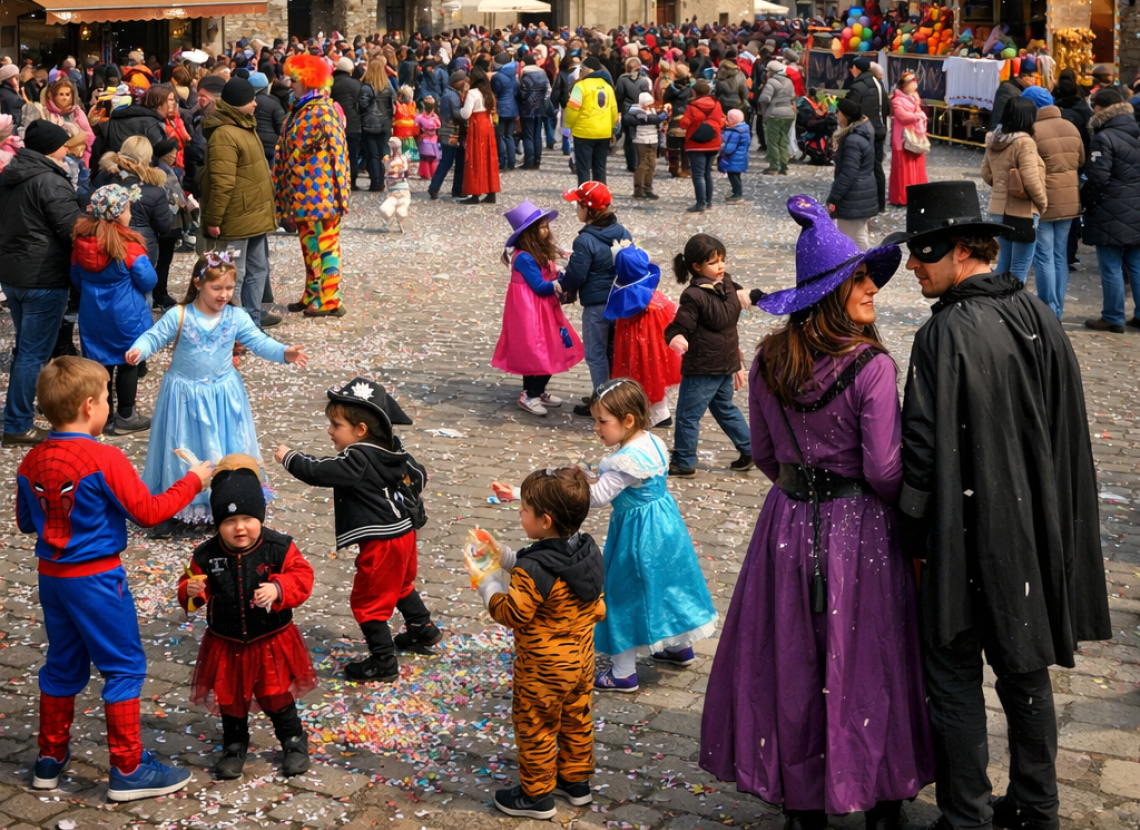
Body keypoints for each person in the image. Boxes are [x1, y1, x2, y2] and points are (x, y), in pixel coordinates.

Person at [701, 193, 931, 830]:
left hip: (789, 522)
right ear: (835, 290)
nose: (873, 292)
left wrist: (801, 492)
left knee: (794, 660)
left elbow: (767, 453)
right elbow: (886, 469)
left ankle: (803, 803)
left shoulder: (773, 357)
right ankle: (881, 793)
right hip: (861, 529)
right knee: (868, 659)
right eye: (862, 280)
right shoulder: (873, 367)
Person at [887, 180, 1111, 830]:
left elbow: (921, 453)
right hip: (1032, 533)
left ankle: (966, 815)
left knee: (953, 672)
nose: (911, 266)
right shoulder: (1036, 312)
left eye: (921, 252)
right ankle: (1037, 807)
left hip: (962, 538)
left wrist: (912, 537)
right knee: (1024, 668)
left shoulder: (945, 333)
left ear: (959, 250)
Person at [17, 356, 211, 801]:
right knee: (123, 667)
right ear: (89, 406)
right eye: (107, 399)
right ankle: (129, 768)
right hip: (99, 580)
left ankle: (49, 758)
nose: (108, 405)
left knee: (62, 666)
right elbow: (148, 512)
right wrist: (192, 482)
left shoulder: (31, 459)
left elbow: (27, 522)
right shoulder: (104, 457)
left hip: (53, 579)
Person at [126, 253, 308, 527]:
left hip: (223, 396)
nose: (224, 294)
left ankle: (225, 500)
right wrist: (140, 349)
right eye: (217, 288)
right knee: (183, 444)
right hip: (184, 397)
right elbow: (155, 335)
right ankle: (179, 504)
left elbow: (259, 341)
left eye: (229, 288)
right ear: (198, 284)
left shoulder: (236, 317)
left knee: (226, 447)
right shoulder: (180, 315)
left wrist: (284, 352)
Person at [276, 377, 439, 682]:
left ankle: (383, 661)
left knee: (368, 601)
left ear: (361, 430)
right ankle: (422, 629)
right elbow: (418, 476)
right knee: (401, 584)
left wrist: (290, 458)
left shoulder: (357, 458)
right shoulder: (393, 447)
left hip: (382, 542)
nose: (329, 431)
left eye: (335, 425)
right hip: (404, 533)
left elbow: (319, 471)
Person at [466, 467, 604, 819]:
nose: (519, 512)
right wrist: (506, 555)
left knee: (536, 726)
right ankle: (575, 783)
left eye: (524, 509)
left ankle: (536, 795)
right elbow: (551, 569)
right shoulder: (587, 552)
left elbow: (513, 612)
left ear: (544, 520)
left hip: (543, 669)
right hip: (581, 662)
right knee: (576, 718)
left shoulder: (534, 571)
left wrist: (487, 582)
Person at [178, 460, 317, 780]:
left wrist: (279, 587)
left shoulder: (278, 548)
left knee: (276, 692)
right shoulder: (205, 555)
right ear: (217, 523)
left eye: (247, 519)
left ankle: (293, 741)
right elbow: (187, 594)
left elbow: (302, 577)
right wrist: (191, 590)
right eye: (229, 521)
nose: (239, 527)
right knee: (230, 697)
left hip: (271, 639)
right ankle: (234, 744)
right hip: (226, 642)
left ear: (260, 517)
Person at [587, 378, 718, 691]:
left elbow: (597, 498)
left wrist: (578, 485)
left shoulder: (623, 461)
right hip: (667, 529)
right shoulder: (652, 443)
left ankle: (622, 673)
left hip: (637, 537)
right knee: (667, 585)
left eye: (602, 421)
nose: (596, 428)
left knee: (623, 594)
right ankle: (677, 647)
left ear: (628, 419)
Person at [0, 119, 83, 447]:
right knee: (34, 352)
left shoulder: (11, 174)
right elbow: (70, 229)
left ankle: (23, 409)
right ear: (50, 148)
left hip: (13, 273)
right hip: (42, 276)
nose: (68, 149)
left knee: (27, 348)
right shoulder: (50, 180)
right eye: (64, 144)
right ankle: (18, 422)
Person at [70, 184, 156, 435]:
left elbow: (75, 277)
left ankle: (103, 416)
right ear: (118, 213)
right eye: (128, 208)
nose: (130, 213)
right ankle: (126, 416)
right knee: (128, 362)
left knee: (101, 366)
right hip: (125, 315)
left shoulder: (81, 243)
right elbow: (148, 280)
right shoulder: (128, 245)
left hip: (93, 314)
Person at [664, 233, 753, 477]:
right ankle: (749, 448)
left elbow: (681, 327)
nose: (721, 266)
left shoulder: (711, 289)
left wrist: (751, 295)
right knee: (724, 408)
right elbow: (682, 325)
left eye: (722, 259)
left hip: (704, 367)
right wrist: (677, 337)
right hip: (724, 362)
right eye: (714, 262)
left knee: (687, 416)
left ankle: (683, 460)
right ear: (697, 266)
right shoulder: (708, 292)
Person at [274, 54, 350, 318]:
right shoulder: (301, 108)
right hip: (303, 193)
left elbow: (339, 153)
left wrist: (341, 195)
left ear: (308, 80)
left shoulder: (323, 110)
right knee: (309, 246)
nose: (290, 83)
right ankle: (312, 292)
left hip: (322, 194)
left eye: (294, 79)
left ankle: (330, 299)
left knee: (326, 245)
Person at [493, 199, 584, 416]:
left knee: (535, 351)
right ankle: (531, 394)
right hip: (532, 311)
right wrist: (564, 281)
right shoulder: (524, 258)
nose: (546, 231)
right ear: (529, 234)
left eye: (546, 226)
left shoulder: (536, 252)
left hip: (542, 309)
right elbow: (540, 287)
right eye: (542, 227)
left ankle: (534, 390)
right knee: (548, 350)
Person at [200, 77, 276, 328]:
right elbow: (222, 182)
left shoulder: (244, 125)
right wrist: (213, 219)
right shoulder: (224, 133)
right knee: (235, 272)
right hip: (237, 217)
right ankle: (232, 324)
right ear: (238, 103)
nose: (256, 103)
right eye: (251, 99)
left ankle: (251, 320)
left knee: (258, 269)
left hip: (254, 214)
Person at [559, 181, 632, 415]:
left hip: (597, 305)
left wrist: (562, 286)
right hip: (620, 302)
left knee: (596, 354)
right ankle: (611, 396)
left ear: (587, 209)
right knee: (613, 352)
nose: (576, 210)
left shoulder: (584, 240)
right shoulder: (621, 231)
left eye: (577, 205)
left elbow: (577, 275)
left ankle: (603, 405)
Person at [1080, 87, 1140, 333]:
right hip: (1136, 206)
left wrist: (1087, 202)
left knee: (1111, 265)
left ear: (1099, 109)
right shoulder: (1137, 132)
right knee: (1136, 263)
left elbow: (1097, 179)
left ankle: (1113, 316)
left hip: (1110, 207)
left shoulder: (1104, 138)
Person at [1022, 86, 1083, 319]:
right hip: (1069, 200)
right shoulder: (1070, 126)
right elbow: (1080, 159)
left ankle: (1048, 309)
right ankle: (1057, 307)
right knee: (1059, 255)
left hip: (1044, 200)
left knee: (1043, 256)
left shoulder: (1033, 131)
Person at [608, 242, 682, 427]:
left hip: (642, 341)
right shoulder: (654, 297)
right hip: (648, 341)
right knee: (651, 372)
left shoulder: (641, 302)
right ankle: (655, 410)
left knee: (647, 372)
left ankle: (658, 412)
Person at [981, 97, 1047, 282]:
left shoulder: (994, 139)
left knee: (1003, 264)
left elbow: (986, 173)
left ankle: (998, 305)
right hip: (1021, 211)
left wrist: (1003, 183)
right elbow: (1031, 180)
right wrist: (1042, 203)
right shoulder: (1024, 142)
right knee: (1019, 267)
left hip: (997, 208)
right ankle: (1012, 307)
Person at [94, 135, 171, 266]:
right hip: (142, 248)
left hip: (106, 243)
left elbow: (90, 207)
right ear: (148, 158)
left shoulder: (104, 178)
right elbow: (163, 226)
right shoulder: (156, 190)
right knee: (142, 283)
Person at [828, 97, 878, 251]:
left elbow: (849, 174)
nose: (836, 115)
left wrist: (834, 198)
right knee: (857, 238)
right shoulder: (861, 133)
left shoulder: (853, 140)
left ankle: (864, 270)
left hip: (854, 198)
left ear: (846, 115)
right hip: (862, 195)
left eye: (838, 112)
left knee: (855, 241)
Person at [844, 56, 889, 211]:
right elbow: (887, 108)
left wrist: (836, 102)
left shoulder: (858, 86)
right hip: (879, 130)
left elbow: (850, 109)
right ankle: (880, 203)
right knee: (877, 167)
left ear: (856, 68)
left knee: (858, 166)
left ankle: (861, 201)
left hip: (862, 132)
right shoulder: (878, 84)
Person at [565, 57, 617, 185]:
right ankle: (600, 199)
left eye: (581, 70)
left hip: (583, 132)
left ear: (587, 70)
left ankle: (585, 197)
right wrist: (611, 128)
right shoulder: (608, 86)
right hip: (603, 133)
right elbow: (614, 111)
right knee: (600, 168)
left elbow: (573, 109)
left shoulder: (580, 86)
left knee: (583, 168)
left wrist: (569, 125)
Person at [679, 79, 724, 213]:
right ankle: (708, 202)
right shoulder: (717, 104)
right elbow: (721, 120)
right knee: (707, 173)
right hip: (714, 141)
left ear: (694, 91)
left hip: (696, 143)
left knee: (698, 175)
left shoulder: (692, 106)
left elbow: (684, 124)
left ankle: (701, 203)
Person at [457, 67, 500, 205]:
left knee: (475, 157)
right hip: (487, 125)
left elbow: (466, 113)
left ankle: (475, 193)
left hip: (476, 126)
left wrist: (460, 109)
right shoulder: (488, 92)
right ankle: (491, 192)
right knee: (488, 157)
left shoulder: (472, 93)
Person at [888, 71, 927, 206]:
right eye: (911, 82)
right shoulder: (897, 100)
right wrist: (919, 116)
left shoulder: (915, 98)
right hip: (903, 139)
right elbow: (902, 117)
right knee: (902, 169)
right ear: (904, 85)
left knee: (916, 166)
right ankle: (901, 197)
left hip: (915, 137)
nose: (914, 84)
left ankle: (917, 195)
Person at [623, 91, 667, 199]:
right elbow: (654, 119)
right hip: (641, 140)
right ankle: (638, 189)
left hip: (653, 139)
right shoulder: (636, 112)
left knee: (651, 164)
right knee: (642, 164)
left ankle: (648, 188)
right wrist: (664, 114)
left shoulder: (652, 110)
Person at [359, 59, 394, 194]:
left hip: (370, 122)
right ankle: (382, 179)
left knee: (372, 154)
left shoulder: (366, 87)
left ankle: (376, 181)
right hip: (385, 123)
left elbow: (363, 105)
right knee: (381, 153)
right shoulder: (387, 87)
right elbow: (391, 108)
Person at [755, 61, 795, 176]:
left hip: (774, 114)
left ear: (772, 72)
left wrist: (764, 111)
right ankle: (784, 166)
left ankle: (774, 166)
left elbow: (764, 99)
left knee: (772, 141)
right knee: (783, 140)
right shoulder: (789, 81)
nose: (766, 73)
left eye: (768, 71)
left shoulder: (772, 82)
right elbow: (793, 98)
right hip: (788, 114)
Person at [330, 57, 363, 190]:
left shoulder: (331, 83)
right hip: (354, 124)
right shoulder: (356, 84)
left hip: (335, 123)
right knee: (353, 155)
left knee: (336, 155)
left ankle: (337, 182)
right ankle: (353, 181)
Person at [614, 57, 650, 173]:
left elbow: (618, 96)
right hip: (641, 110)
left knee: (629, 138)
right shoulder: (643, 81)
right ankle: (639, 162)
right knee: (639, 136)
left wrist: (618, 110)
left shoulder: (622, 80)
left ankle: (631, 164)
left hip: (627, 110)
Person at [518, 54, 550, 170]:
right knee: (537, 136)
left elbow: (520, 92)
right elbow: (548, 90)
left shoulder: (524, 73)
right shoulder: (542, 73)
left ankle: (528, 162)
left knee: (528, 136)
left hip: (527, 108)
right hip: (540, 106)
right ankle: (537, 161)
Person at [490, 52, 519, 173]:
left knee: (500, 135)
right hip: (513, 107)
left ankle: (503, 161)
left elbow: (494, 91)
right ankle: (511, 162)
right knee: (509, 135)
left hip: (501, 108)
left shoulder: (497, 77)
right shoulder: (513, 75)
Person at [663, 63, 693, 178]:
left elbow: (665, 99)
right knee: (686, 146)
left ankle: (674, 168)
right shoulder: (691, 88)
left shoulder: (671, 88)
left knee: (673, 146)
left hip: (674, 118)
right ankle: (686, 169)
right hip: (687, 119)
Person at [250, 71, 286, 166]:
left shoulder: (247, 103)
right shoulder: (274, 103)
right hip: (272, 146)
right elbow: (281, 126)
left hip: (253, 144)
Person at [378, 136, 410, 233]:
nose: (394, 150)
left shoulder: (403, 159)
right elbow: (386, 169)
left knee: (401, 212)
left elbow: (407, 172)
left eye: (395, 148)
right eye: (392, 148)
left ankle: (401, 221)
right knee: (385, 210)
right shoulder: (387, 160)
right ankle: (386, 222)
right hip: (391, 192)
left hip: (403, 191)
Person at [718, 108, 750, 205]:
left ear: (733, 121)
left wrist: (721, 148)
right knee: (736, 176)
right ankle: (736, 193)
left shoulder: (734, 132)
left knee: (733, 177)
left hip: (733, 159)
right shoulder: (744, 129)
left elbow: (729, 148)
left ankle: (737, 195)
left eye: (728, 119)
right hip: (740, 158)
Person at [551, 55, 579, 158]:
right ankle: (575, 146)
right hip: (578, 101)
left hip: (566, 101)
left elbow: (557, 89)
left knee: (565, 125)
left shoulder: (562, 73)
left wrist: (554, 100)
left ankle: (566, 147)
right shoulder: (580, 72)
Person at [414, 97, 440, 179]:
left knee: (425, 157)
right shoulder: (436, 118)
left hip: (424, 139)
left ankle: (426, 173)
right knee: (433, 158)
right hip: (433, 139)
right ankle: (433, 173)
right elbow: (438, 126)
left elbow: (415, 127)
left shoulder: (420, 117)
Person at [0, 64, 23, 130]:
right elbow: (17, 124)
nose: (18, 82)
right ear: (11, 80)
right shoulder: (15, 99)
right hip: (10, 135)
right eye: (17, 78)